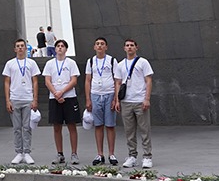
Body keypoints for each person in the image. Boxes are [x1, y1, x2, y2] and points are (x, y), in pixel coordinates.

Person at [113, 39, 154, 169]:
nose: (129, 47)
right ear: (124, 48)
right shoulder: (120, 65)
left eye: (132, 45)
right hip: (126, 101)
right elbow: (118, 83)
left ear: (136, 47)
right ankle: (132, 156)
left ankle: (147, 156)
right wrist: (117, 100)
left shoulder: (143, 62)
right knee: (129, 130)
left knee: (144, 129)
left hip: (140, 100)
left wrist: (146, 98)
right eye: (127, 46)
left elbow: (148, 80)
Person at [43, 40, 81, 165]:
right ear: (55, 49)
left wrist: (62, 92)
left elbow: (74, 80)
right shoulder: (49, 64)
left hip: (69, 97)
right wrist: (56, 93)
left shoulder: (71, 63)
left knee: (72, 126)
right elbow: (47, 81)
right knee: (57, 126)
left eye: (62, 46)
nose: (60, 48)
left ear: (66, 49)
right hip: (54, 98)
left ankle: (74, 154)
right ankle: (60, 153)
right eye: (58, 46)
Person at [3, 38, 41, 164]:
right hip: (14, 98)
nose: (20, 48)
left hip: (27, 98)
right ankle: (19, 152)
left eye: (22, 46)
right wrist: (8, 100)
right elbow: (7, 82)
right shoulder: (10, 63)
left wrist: (35, 99)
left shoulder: (31, 63)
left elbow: (35, 81)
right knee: (17, 128)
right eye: (17, 46)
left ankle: (27, 153)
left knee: (27, 127)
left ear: (26, 48)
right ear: (15, 49)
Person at [84, 37, 118, 166]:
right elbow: (88, 80)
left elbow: (117, 80)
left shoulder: (112, 60)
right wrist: (88, 98)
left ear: (106, 47)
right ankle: (100, 154)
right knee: (98, 125)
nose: (99, 46)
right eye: (97, 44)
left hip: (109, 94)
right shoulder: (91, 61)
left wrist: (115, 98)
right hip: (95, 95)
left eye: (102, 44)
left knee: (110, 125)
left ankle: (111, 154)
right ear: (94, 47)